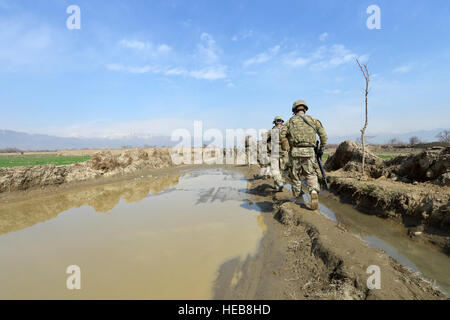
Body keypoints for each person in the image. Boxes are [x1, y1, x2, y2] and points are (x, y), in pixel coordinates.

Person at [280, 100, 327, 210]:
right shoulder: (313, 120)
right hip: (310, 151)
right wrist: (321, 148)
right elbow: (323, 136)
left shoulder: (290, 122)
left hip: (295, 152)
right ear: (305, 109)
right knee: (310, 173)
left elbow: (282, 136)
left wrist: (286, 148)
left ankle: (299, 198)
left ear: (294, 110)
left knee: (295, 175)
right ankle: (313, 190)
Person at [266, 116, 287, 192]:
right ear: (282, 122)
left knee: (274, 170)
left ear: (275, 123)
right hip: (283, 154)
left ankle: (279, 182)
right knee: (280, 170)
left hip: (274, 154)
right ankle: (277, 186)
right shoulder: (286, 131)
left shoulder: (271, 131)